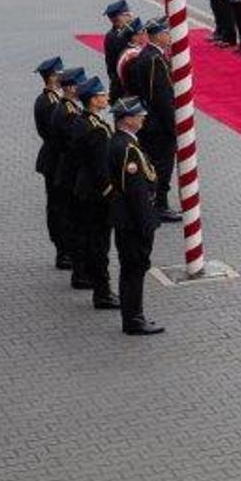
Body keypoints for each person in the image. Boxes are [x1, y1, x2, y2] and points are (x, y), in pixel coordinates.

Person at [108, 97, 165, 336]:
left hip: (126, 219)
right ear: (128, 120)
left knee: (132, 268)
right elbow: (136, 192)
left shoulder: (122, 142)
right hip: (133, 221)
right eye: (139, 115)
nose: (143, 118)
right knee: (134, 269)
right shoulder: (128, 150)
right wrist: (147, 224)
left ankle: (133, 316)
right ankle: (134, 319)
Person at [66, 77, 116, 305]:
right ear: (94, 101)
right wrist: (110, 194)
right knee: (99, 244)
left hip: (83, 188)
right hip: (96, 194)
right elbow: (101, 168)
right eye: (103, 95)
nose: (107, 98)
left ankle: (91, 280)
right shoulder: (96, 130)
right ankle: (102, 292)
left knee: (88, 238)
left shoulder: (82, 121)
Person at [123, 19, 179, 221]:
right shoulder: (154, 59)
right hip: (158, 124)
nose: (170, 36)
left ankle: (155, 202)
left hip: (151, 122)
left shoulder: (151, 55)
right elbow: (161, 97)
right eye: (167, 32)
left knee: (155, 164)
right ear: (158, 35)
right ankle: (159, 205)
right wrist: (173, 126)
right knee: (162, 166)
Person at [33, 58, 71, 267]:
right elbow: (53, 134)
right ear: (52, 77)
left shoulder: (56, 99)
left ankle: (67, 247)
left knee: (64, 205)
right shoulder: (47, 102)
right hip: (55, 161)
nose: (62, 76)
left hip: (60, 159)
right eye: (60, 74)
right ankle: (62, 251)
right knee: (58, 207)